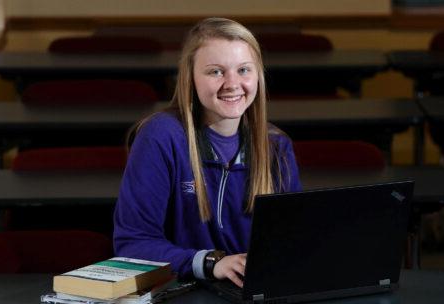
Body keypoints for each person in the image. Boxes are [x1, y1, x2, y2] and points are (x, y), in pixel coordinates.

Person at [113, 17, 302, 288]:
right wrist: (210, 263)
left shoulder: (276, 146)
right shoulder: (161, 137)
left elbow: (291, 241)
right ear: (190, 77)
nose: (232, 83)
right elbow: (133, 243)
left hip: (251, 297)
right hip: (180, 298)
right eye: (216, 72)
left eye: (244, 70)